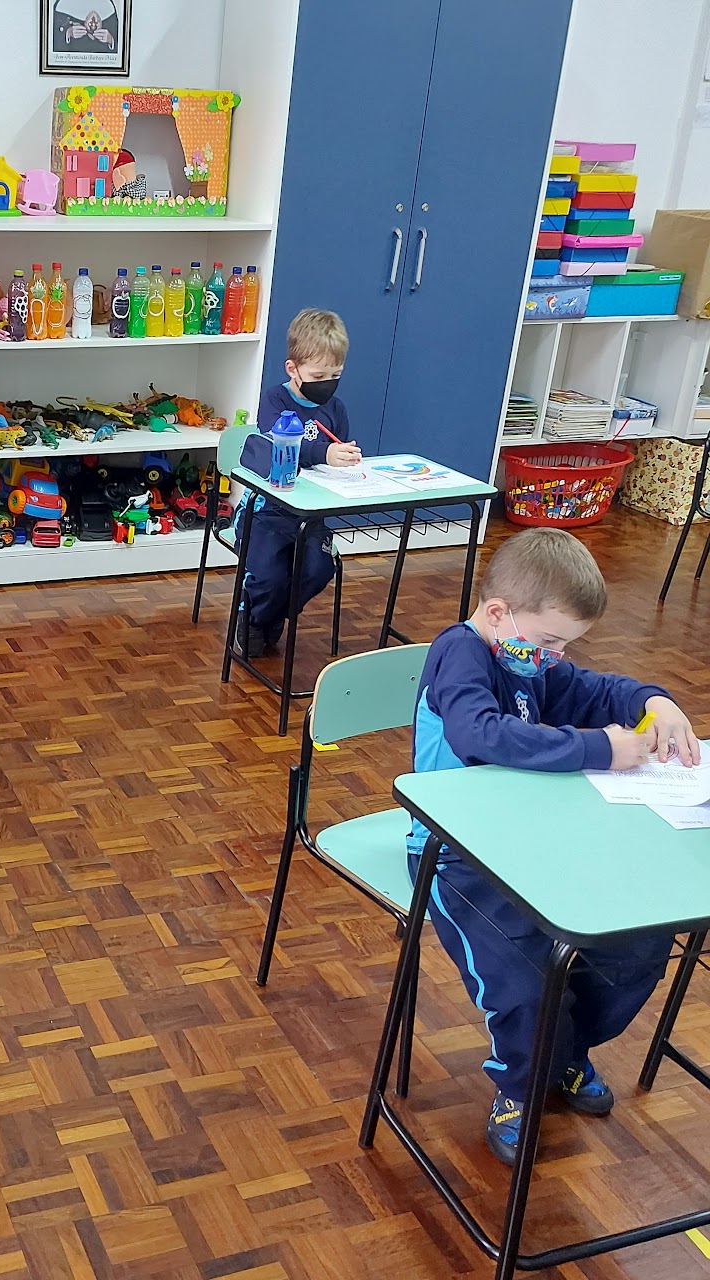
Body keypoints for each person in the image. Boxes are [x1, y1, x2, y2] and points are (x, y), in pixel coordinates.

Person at [408, 528, 699, 1165]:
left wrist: (655, 700)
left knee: (638, 944)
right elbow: (480, 735)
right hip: (457, 856)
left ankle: (562, 1054)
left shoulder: (528, 659)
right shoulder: (461, 654)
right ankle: (520, 1087)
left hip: (535, 842)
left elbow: (596, 689)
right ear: (497, 614)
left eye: (565, 645)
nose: (555, 657)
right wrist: (600, 748)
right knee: (525, 983)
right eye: (549, 641)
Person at [236, 308, 362, 657]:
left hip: (310, 515)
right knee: (270, 577)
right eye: (319, 375)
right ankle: (253, 619)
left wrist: (345, 459)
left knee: (320, 570)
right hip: (266, 514)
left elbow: (334, 457)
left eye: (336, 375)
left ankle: (271, 613)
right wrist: (324, 453)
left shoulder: (335, 409)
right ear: (292, 369)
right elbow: (279, 447)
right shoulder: (274, 400)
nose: (328, 383)